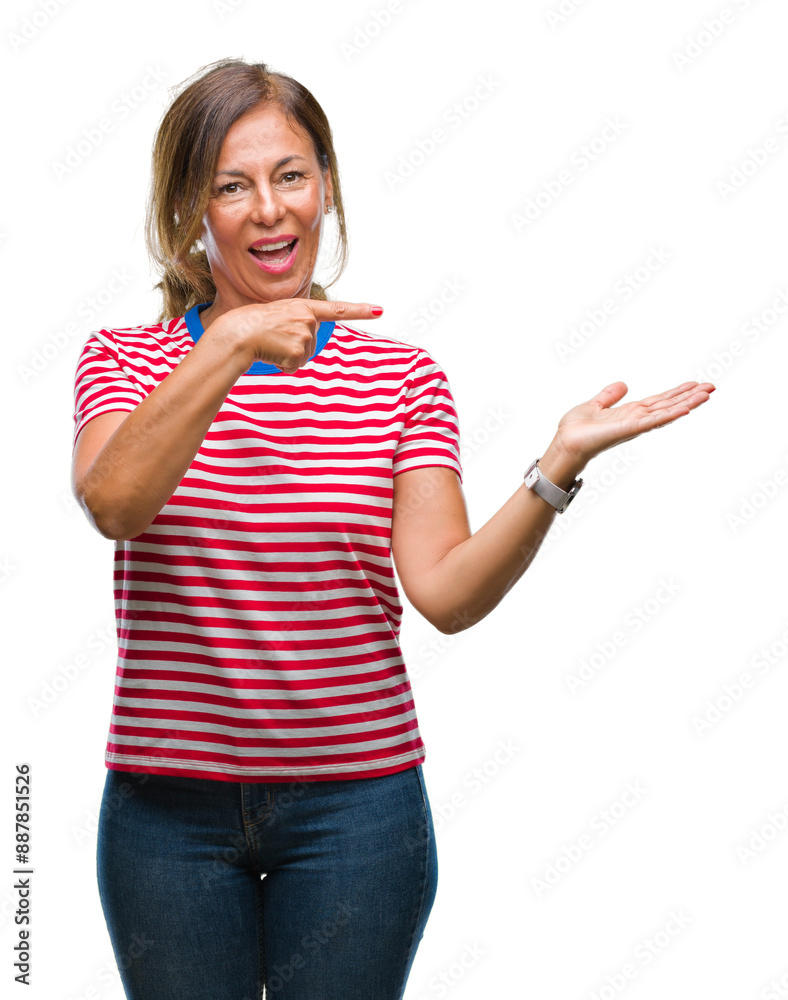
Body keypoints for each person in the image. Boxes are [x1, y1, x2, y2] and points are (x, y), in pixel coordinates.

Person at [70, 57, 715, 1000]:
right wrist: (233, 343)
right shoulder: (125, 361)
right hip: (166, 818)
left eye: (291, 175)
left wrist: (555, 467)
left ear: (325, 183)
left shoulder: (401, 380)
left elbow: (446, 596)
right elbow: (115, 503)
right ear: (188, 213)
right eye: (230, 186)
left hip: (356, 815)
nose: (269, 209)